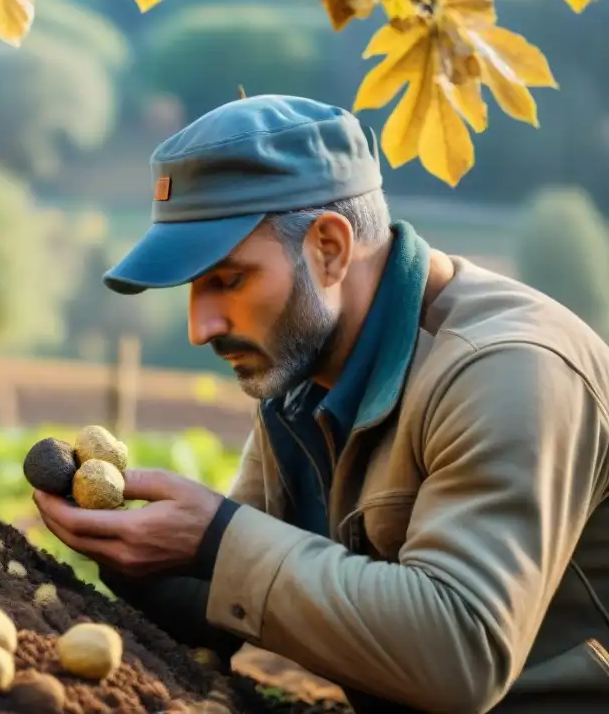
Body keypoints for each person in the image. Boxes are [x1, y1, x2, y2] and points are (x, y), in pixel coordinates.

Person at [32, 94, 609, 713]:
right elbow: (244, 595)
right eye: (193, 289)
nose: (201, 326)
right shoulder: (300, 371)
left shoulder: (507, 370)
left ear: (329, 249)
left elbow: (461, 655)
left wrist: (217, 539)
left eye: (227, 280)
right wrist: (132, 554)